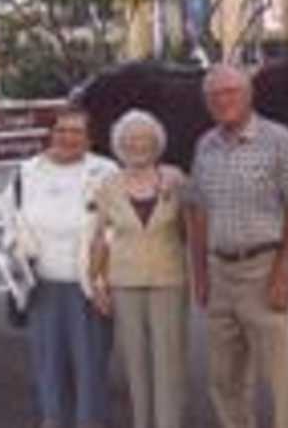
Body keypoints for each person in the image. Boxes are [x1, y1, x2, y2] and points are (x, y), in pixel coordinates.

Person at [186, 65, 288, 428]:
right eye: (213, 96)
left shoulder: (279, 140)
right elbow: (197, 211)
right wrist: (200, 275)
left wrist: (285, 271)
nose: (221, 101)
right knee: (225, 378)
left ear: (248, 94)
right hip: (219, 273)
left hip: (263, 269)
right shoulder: (204, 145)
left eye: (230, 92)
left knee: (281, 377)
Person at [12, 107, 118, 428]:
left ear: (89, 139)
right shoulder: (27, 170)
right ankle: (52, 419)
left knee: (90, 363)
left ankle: (91, 421)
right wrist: (17, 258)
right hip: (42, 281)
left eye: (77, 132)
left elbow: (115, 228)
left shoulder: (106, 170)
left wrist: (102, 279)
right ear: (51, 134)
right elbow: (10, 217)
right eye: (61, 130)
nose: (68, 137)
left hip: (89, 284)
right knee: (48, 362)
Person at [89, 110, 189, 428]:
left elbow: (192, 229)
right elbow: (100, 239)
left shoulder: (174, 179)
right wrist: (97, 282)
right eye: (130, 140)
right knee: (135, 363)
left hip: (168, 279)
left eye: (145, 139)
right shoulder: (108, 185)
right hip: (124, 281)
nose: (138, 145)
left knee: (168, 361)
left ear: (157, 143)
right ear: (119, 145)